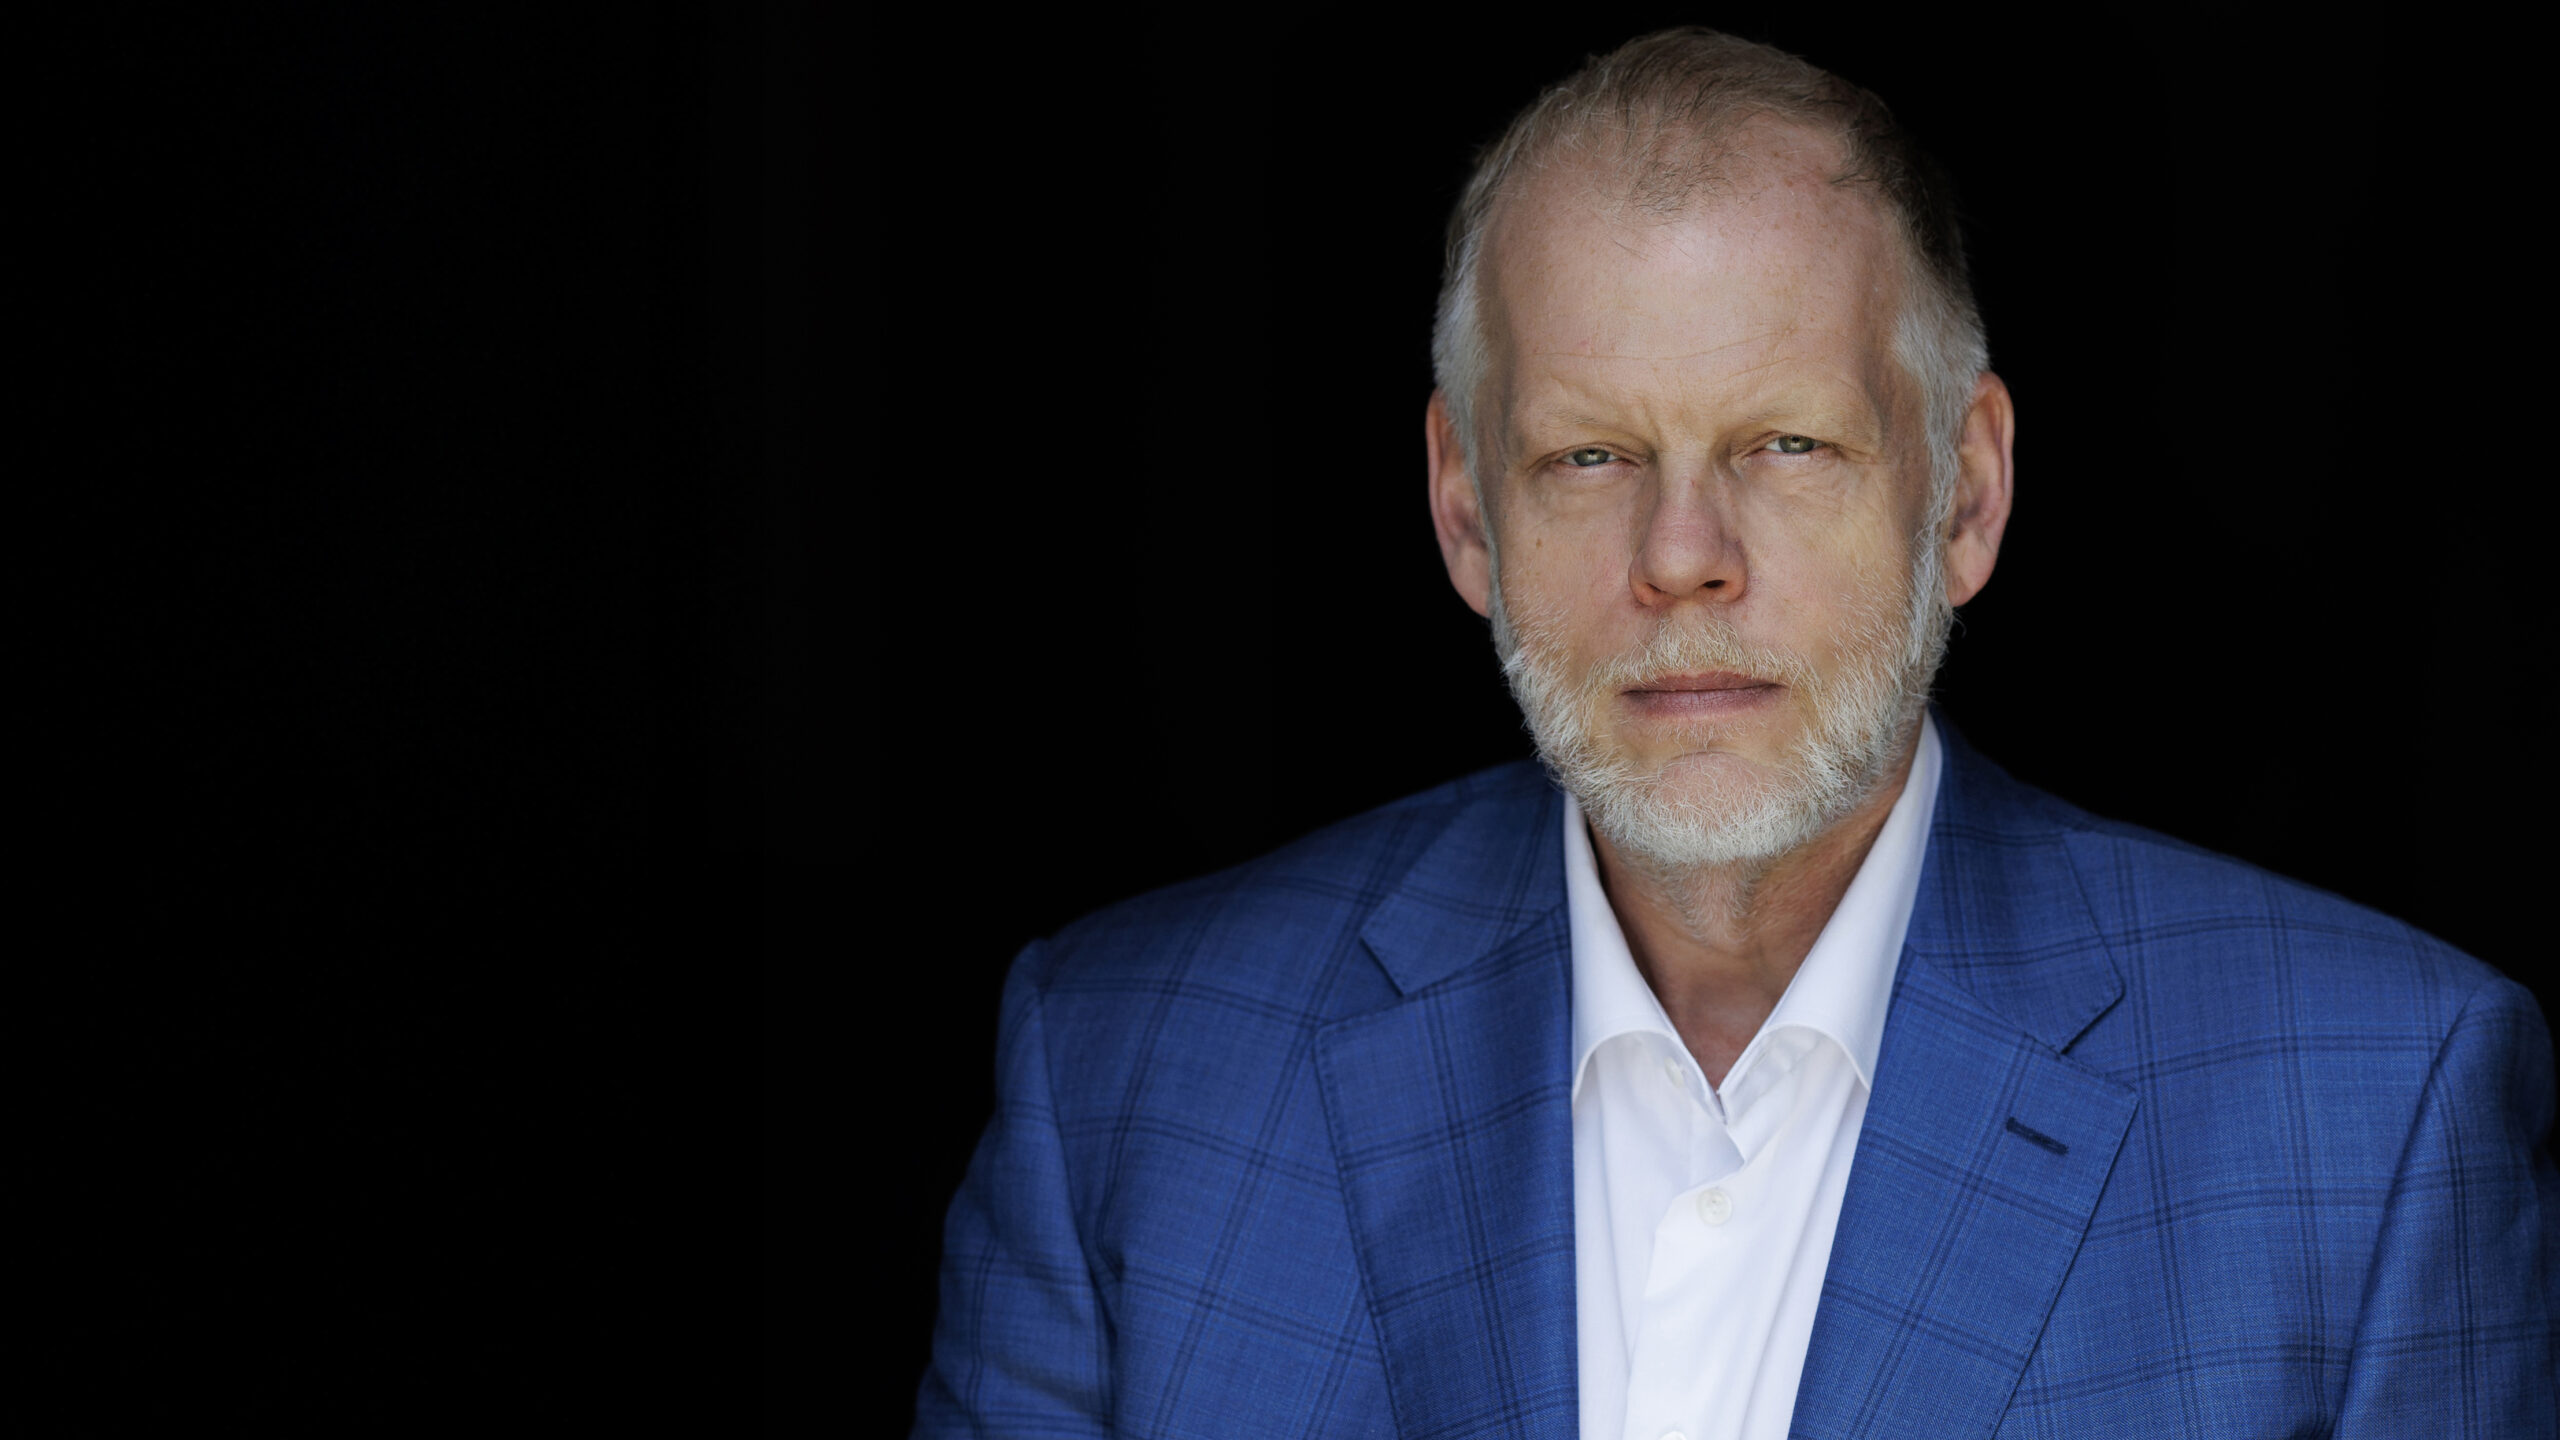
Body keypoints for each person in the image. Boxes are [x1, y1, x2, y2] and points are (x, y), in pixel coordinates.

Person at [912, 27, 2557, 1437]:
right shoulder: (1126, 1079)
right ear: (1461, 507)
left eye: (1783, 443)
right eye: (1589, 457)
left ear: (1966, 495)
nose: (1682, 554)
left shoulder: (2374, 1118)